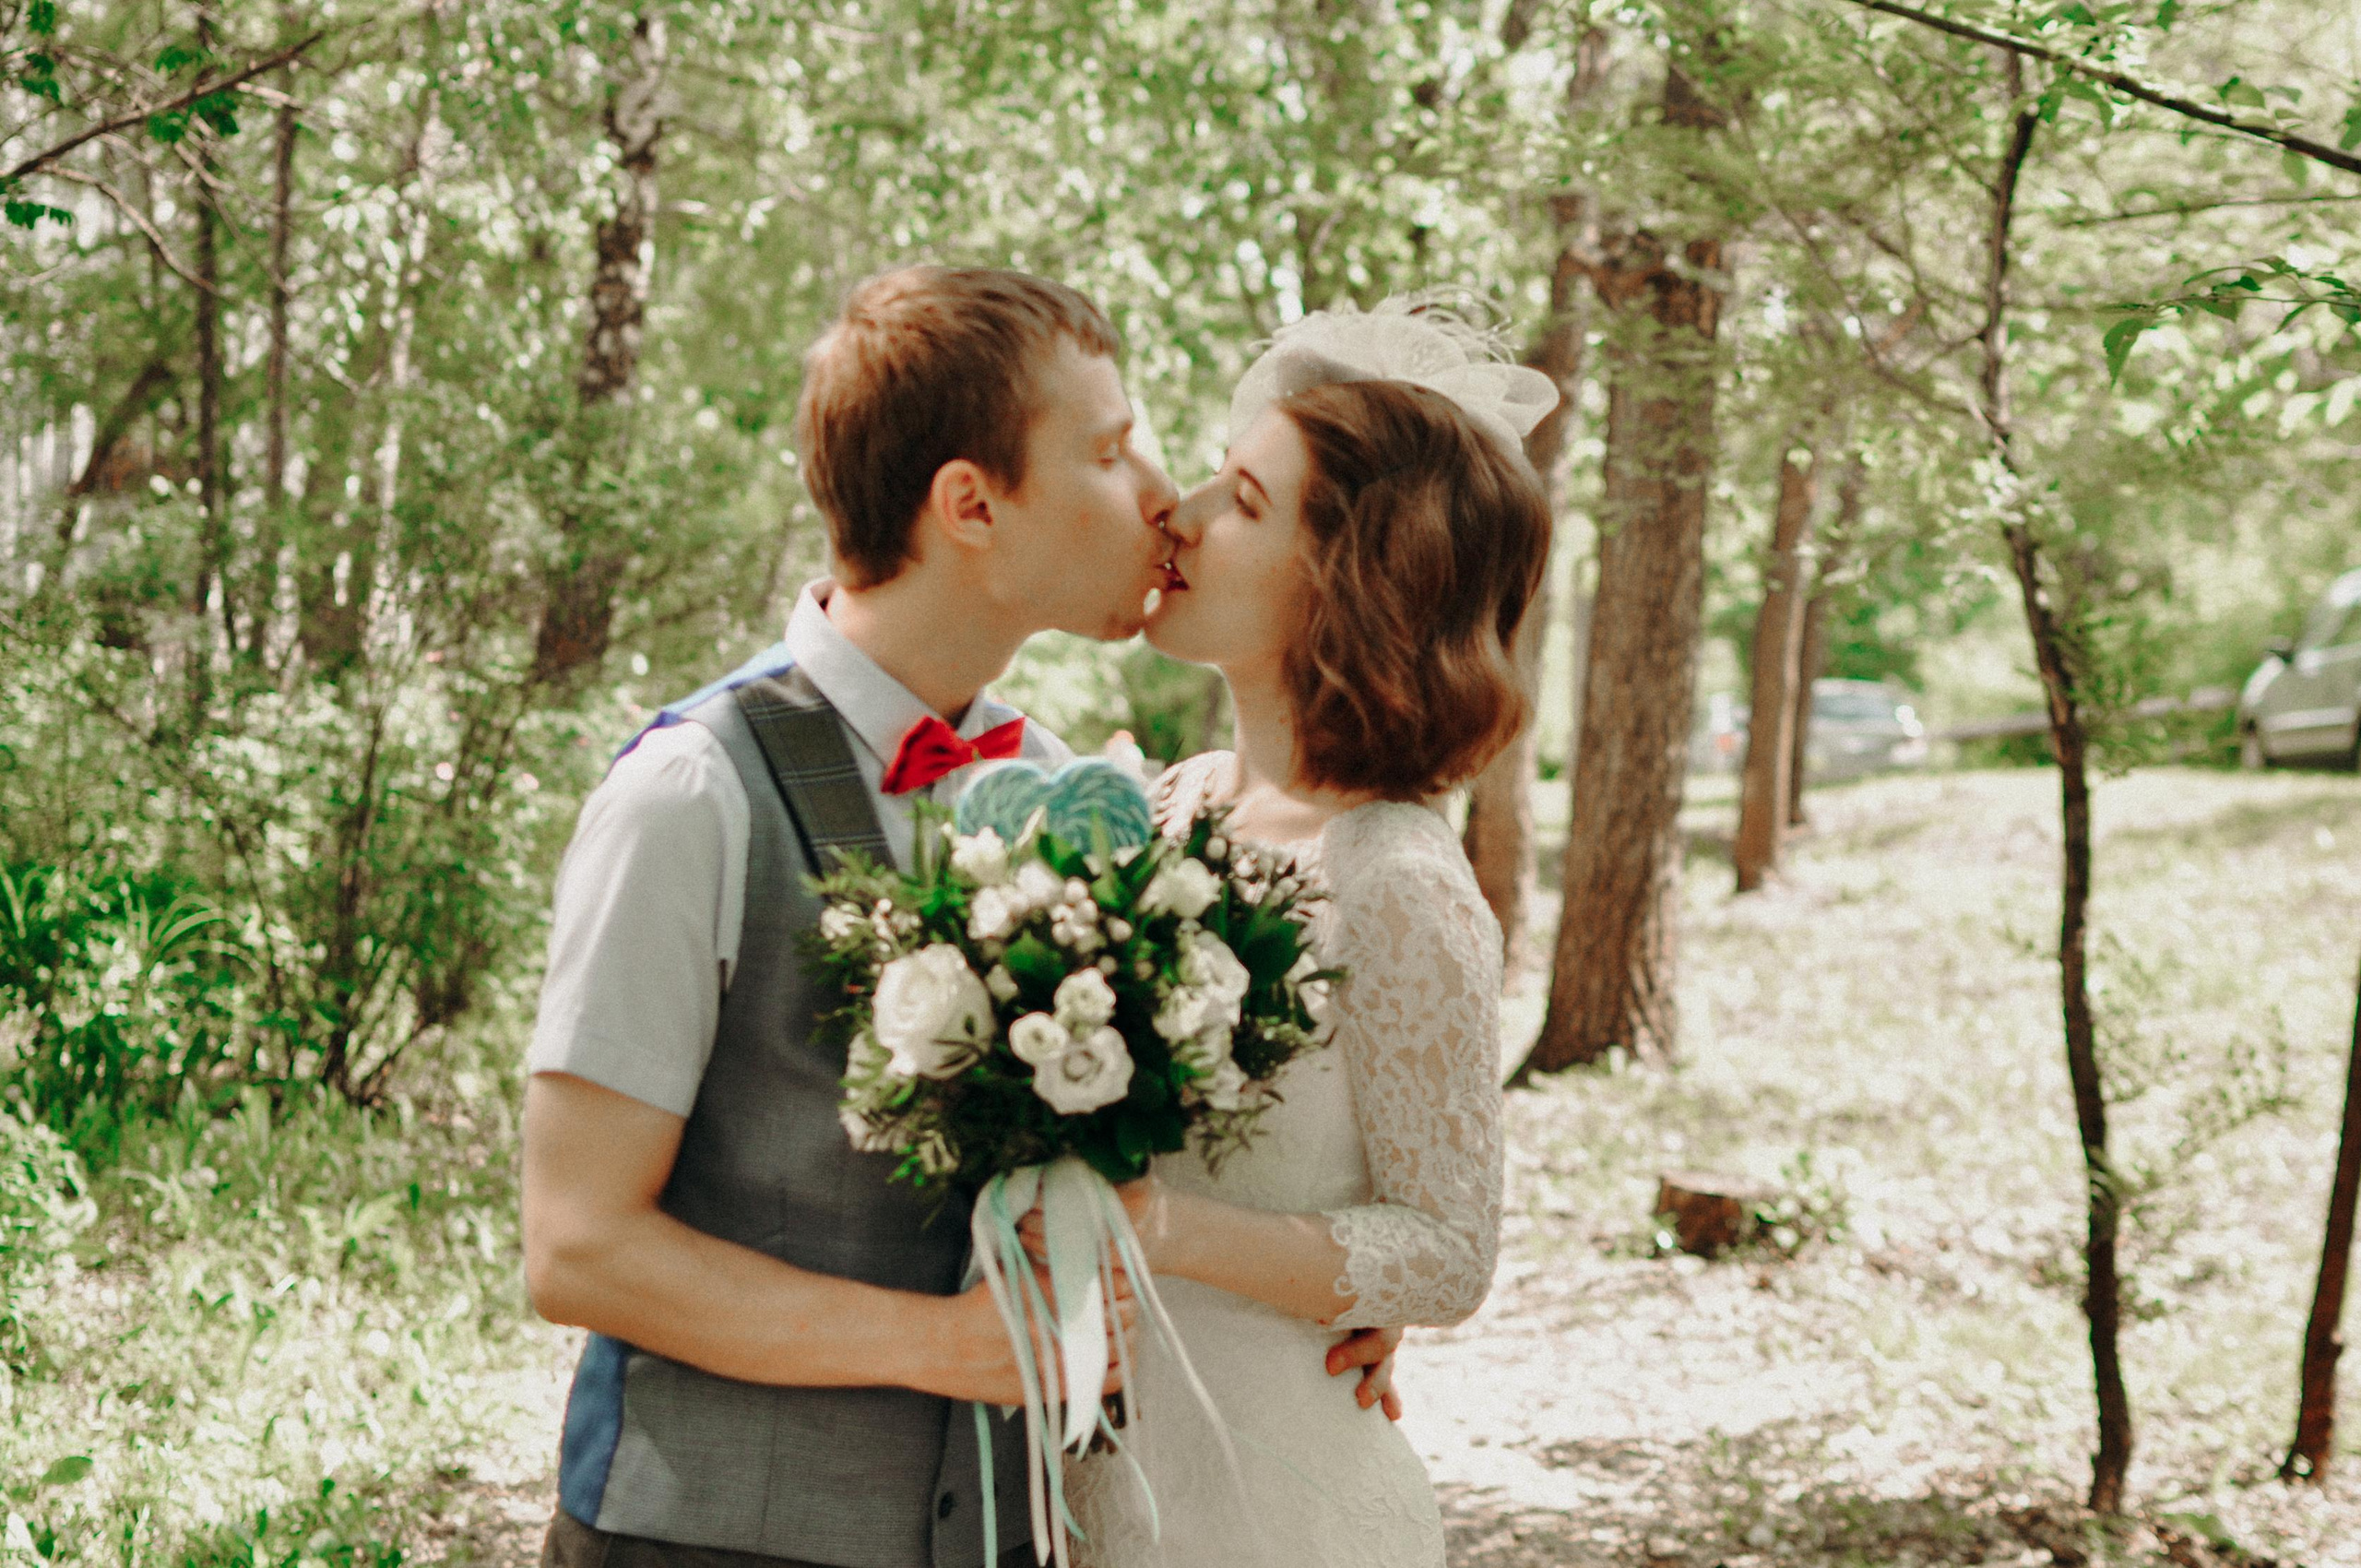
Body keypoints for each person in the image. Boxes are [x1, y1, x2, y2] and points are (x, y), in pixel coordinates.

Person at [518, 267, 1404, 1568]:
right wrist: (940, 1349)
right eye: (1111, 450)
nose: (1164, 495)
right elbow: (579, 1250)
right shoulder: (691, 793)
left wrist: (1314, 1312)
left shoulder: (1070, 792)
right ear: (971, 505)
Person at [1056, 305, 1558, 1568]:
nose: (1180, 516)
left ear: (1343, 579)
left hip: (1275, 1509)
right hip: (1088, 1486)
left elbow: (1447, 1251)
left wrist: (1163, 1232)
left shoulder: (1395, 880)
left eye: (1241, 499)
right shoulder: (1168, 806)